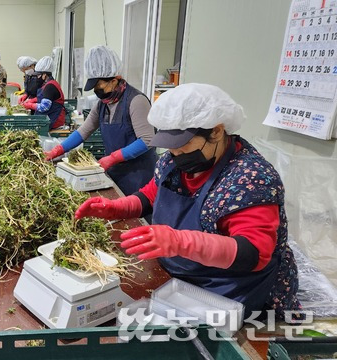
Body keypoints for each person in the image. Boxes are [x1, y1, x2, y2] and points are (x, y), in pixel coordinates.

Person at [75, 83, 301, 320]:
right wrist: (115, 208)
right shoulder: (173, 162)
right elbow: (151, 195)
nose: (176, 155)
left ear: (216, 131)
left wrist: (179, 242)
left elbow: (254, 253)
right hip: (178, 282)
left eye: (183, 145)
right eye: (171, 148)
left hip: (228, 293)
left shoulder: (251, 178)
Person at [44, 45, 157, 198]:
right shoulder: (103, 104)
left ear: (114, 80)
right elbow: (83, 131)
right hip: (115, 172)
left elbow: (148, 140)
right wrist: (57, 150)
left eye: (99, 85)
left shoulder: (136, 101)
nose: (96, 90)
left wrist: (113, 157)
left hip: (138, 175)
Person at [20, 56, 66, 130]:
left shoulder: (50, 86)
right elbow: (46, 98)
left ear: (44, 75)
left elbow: (44, 107)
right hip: (47, 120)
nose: (37, 78)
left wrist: (29, 105)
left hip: (54, 121)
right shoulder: (48, 84)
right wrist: (34, 100)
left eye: (38, 75)